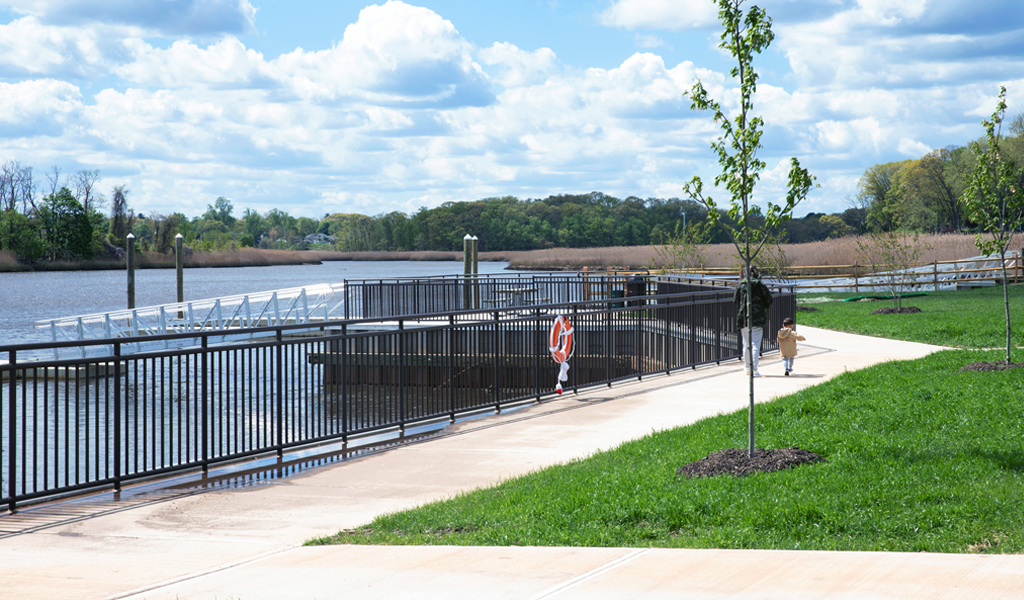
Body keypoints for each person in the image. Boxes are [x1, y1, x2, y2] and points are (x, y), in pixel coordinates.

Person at [734, 265, 773, 377]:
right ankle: (754, 369)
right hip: (757, 317)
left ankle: (747, 367)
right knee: (755, 344)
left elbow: (735, 300)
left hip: (743, 318)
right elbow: (769, 301)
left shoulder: (740, 285)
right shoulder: (760, 286)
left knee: (746, 343)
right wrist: (763, 308)